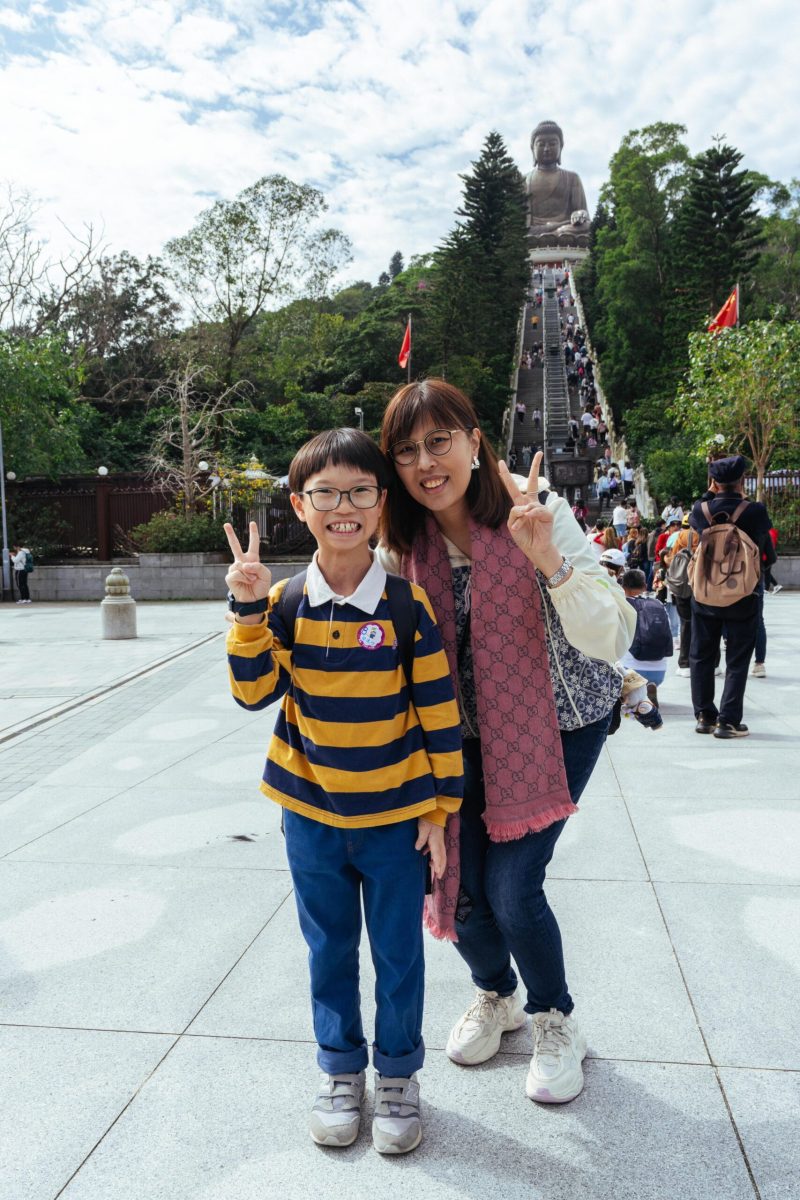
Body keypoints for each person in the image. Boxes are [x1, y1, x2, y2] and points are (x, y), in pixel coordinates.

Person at [379, 380, 634, 1107]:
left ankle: (555, 1019)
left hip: (559, 722)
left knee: (512, 888)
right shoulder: (404, 549)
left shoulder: (538, 509)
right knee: (456, 883)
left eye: (439, 441)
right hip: (458, 735)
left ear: (473, 441)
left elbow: (613, 635)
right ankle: (497, 994)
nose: (427, 463)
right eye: (407, 451)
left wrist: (547, 558)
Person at [224, 429, 463, 1154]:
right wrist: (247, 610)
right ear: (300, 506)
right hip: (311, 814)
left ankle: (398, 1077)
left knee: (398, 953)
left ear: (381, 502)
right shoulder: (288, 601)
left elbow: (439, 712)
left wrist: (439, 809)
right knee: (328, 950)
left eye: (359, 492)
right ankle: (338, 1072)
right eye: (325, 494)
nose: (343, 508)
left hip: (395, 818)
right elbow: (254, 693)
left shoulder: (406, 605)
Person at [689, 455, 776, 739]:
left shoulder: (701, 510)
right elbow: (766, 549)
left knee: (701, 655)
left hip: (705, 593)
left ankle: (705, 716)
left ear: (714, 482)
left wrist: (709, 494)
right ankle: (727, 721)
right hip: (743, 594)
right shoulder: (755, 511)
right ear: (743, 480)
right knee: (738, 658)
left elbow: (697, 514)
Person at [619, 568, 673, 707]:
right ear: (644, 586)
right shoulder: (659, 605)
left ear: (623, 587)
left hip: (631, 672)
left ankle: (634, 695)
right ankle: (648, 687)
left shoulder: (622, 605)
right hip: (659, 672)